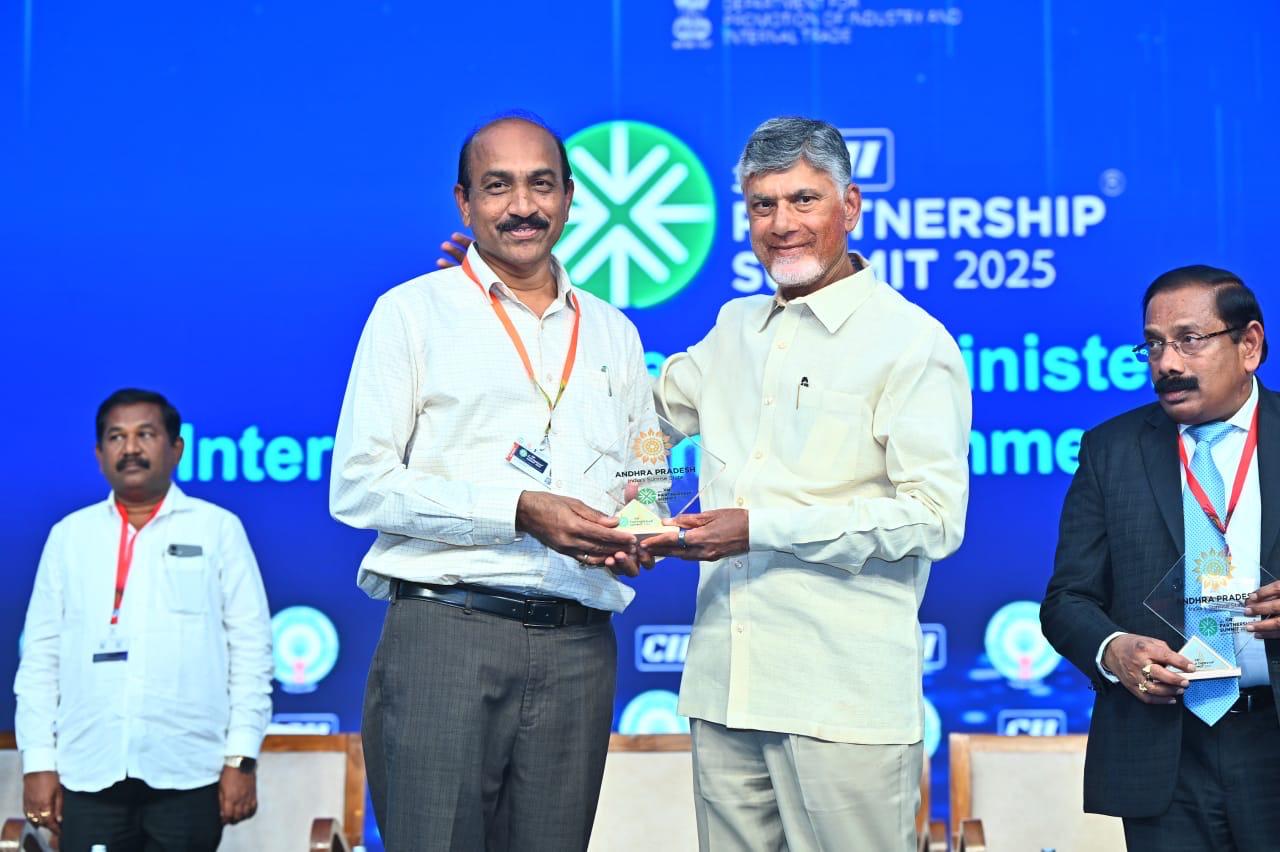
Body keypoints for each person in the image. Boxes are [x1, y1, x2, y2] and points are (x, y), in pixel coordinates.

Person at [638, 117, 971, 851]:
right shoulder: (734, 328)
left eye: (803, 200)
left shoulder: (911, 342)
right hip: (725, 686)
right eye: (763, 205)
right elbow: (632, 415)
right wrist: (510, 298)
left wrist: (761, 528)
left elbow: (934, 518)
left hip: (841, 697)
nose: (781, 224)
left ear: (850, 206)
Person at [330, 113, 656, 851]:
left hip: (578, 645)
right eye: (498, 186)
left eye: (541, 184)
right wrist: (518, 509)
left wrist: (637, 533)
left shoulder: (614, 332)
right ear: (465, 202)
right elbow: (359, 484)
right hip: (449, 632)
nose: (522, 206)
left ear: (569, 197)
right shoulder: (411, 314)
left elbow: (642, 480)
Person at [1041, 266, 1280, 850]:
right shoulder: (1110, 450)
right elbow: (1067, 600)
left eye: (1189, 340)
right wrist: (1112, 649)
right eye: (1153, 344)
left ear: (1249, 345)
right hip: (1163, 750)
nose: (1167, 363)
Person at [14, 388, 273, 851]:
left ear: (176, 448)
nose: (130, 448)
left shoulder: (217, 529)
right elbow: (40, 658)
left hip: (189, 769)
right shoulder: (69, 537)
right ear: (99, 454)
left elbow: (251, 651)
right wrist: (37, 762)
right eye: (116, 437)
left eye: (145, 434)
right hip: (88, 770)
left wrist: (241, 757)